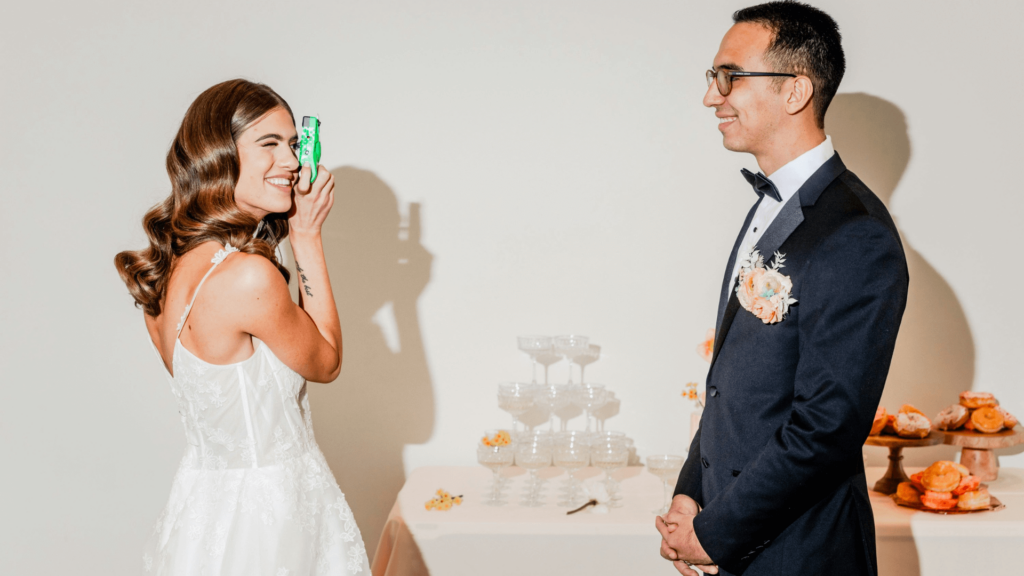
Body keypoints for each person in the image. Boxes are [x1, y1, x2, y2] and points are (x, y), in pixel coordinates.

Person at [655, 3, 909, 575]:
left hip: (800, 553)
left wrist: (715, 533)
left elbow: (826, 429)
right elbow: (730, 387)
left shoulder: (856, 233)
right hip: (735, 539)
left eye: (730, 76)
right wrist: (690, 492)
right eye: (712, 78)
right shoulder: (769, 210)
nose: (711, 97)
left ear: (795, 91)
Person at [115, 79, 369, 575]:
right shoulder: (248, 276)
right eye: (269, 144)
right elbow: (327, 362)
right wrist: (308, 237)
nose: (293, 163)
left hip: (205, 512)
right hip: (272, 520)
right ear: (217, 154)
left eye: (294, 144)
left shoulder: (167, 274)